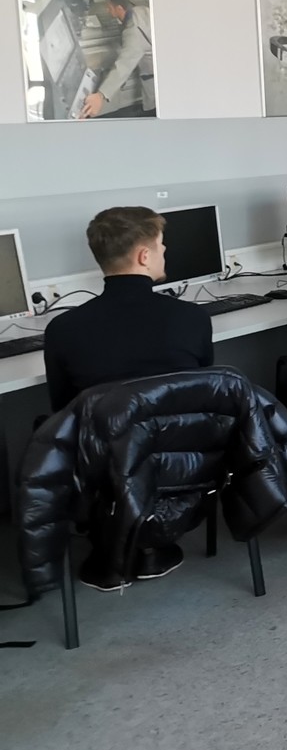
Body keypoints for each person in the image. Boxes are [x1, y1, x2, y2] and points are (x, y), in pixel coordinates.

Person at [43, 206, 214, 584]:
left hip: (105, 469)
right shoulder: (193, 318)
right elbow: (203, 394)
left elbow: (63, 408)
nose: (165, 251)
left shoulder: (63, 329)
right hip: (183, 462)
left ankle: (116, 534)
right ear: (144, 256)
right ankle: (152, 537)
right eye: (161, 245)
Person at [79, 0, 155, 119]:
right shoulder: (139, 10)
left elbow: (123, 67)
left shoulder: (134, 33)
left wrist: (100, 95)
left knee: (154, 113)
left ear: (119, 8)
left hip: (155, 80)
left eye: (109, 8)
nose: (107, 11)